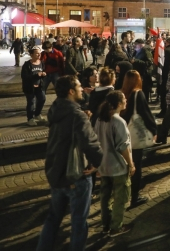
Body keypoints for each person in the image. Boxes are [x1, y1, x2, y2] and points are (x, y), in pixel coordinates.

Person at [36, 75, 103, 251]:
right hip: (76, 175)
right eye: (79, 87)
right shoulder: (77, 115)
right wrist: (97, 163)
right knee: (79, 221)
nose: (82, 89)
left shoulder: (56, 109)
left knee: (53, 217)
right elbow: (90, 144)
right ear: (71, 91)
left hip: (56, 171)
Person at [95, 90, 135, 236]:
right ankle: (116, 227)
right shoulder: (118, 121)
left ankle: (105, 225)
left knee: (105, 196)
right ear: (118, 104)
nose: (126, 101)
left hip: (104, 165)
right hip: (118, 166)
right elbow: (123, 146)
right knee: (120, 198)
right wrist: (131, 164)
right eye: (124, 99)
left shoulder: (100, 119)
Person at [121, 70, 157, 208]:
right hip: (135, 136)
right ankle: (134, 197)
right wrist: (154, 129)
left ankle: (123, 193)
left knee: (125, 164)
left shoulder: (123, 93)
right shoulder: (138, 94)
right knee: (136, 165)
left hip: (123, 134)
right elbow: (146, 114)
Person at [22, 46, 47, 126]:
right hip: (30, 87)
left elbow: (43, 72)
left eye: (40, 53)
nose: (39, 55)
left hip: (39, 86)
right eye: (37, 53)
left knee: (42, 99)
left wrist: (43, 74)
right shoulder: (27, 65)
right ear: (31, 54)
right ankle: (30, 119)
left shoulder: (42, 63)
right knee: (31, 103)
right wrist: (37, 75)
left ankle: (37, 114)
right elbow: (25, 77)